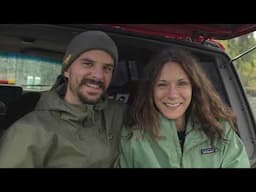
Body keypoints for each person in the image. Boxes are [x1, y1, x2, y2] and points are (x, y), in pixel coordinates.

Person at [0, 31, 127, 168]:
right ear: (67, 70)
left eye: (107, 68)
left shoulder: (120, 114)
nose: (98, 75)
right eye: (88, 64)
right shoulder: (30, 130)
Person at [119, 48, 250, 168]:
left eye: (182, 84)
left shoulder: (220, 129)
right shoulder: (133, 137)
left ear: (195, 87)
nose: (172, 94)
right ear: (150, 90)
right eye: (162, 85)